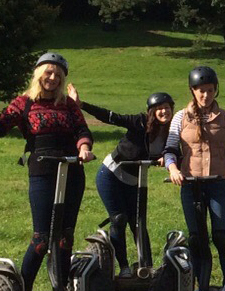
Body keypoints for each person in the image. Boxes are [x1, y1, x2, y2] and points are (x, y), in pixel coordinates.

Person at [0, 52, 94, 291]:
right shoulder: (24, 104)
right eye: (48, 72)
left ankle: (63, 289)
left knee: (65, 236)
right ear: (38, 74)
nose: (53, 78)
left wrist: (84, 147)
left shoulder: (68, 104)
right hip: (42, 171)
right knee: (42, 237)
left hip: (72, 170)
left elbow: (82, 130)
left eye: (58, 74)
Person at [162, 66, 225, 291]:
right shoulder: (180, 117)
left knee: (221, 235)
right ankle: (200, 287)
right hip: (190, 184)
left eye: (210, 90)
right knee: (197, 237)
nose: (206, 96)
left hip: (218, 184)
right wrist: (172, 169)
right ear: (193, 91)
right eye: (201, 91)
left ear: (216, 91)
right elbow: (170, 148)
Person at [71, 85, 174, 278]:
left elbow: (177, 150)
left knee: (139, 222)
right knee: (119, 219)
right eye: (160, 108)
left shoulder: (171, 131)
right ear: (151, 111)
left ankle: (147, 266)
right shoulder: (140, 122)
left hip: (135, 180)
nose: (164, 111)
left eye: (167, 107)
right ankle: (124, 267)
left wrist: (166, 158)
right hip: (111, 174)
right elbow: (112, 117)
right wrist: (81, 104)